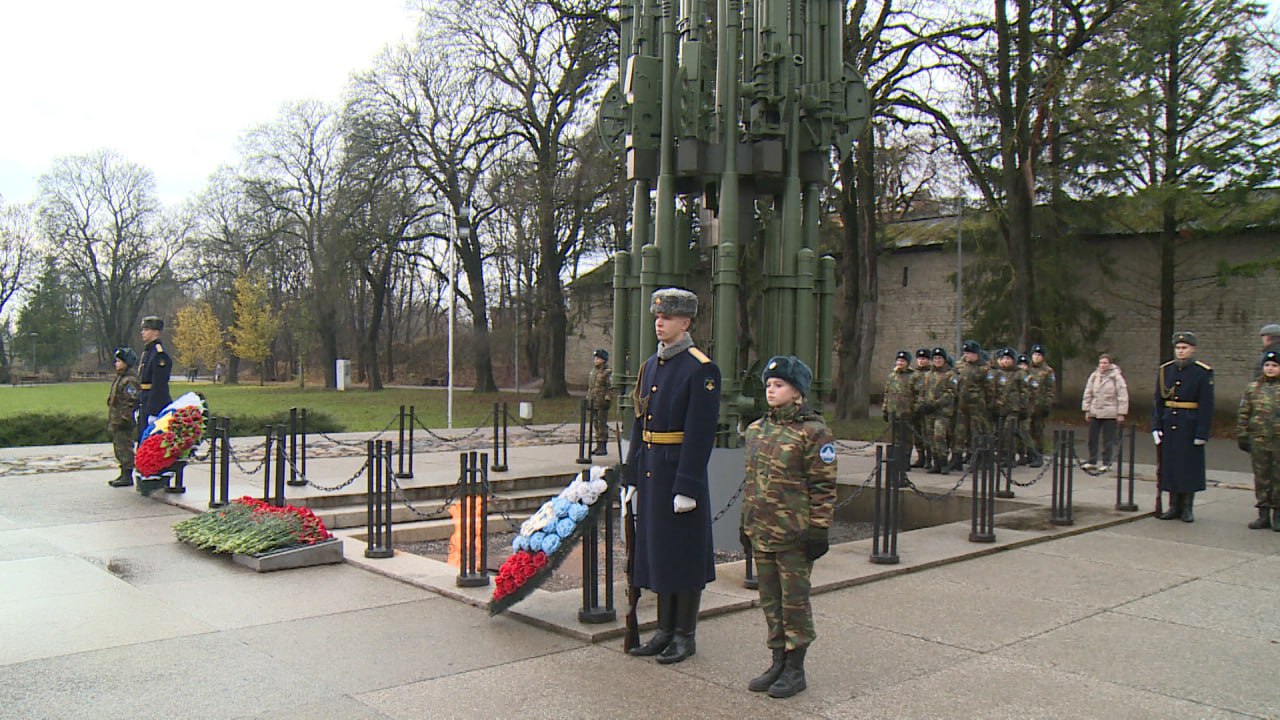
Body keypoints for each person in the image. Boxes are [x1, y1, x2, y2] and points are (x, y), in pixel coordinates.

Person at [625, 288, 721, 665]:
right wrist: (631, 477)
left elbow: (700, 434)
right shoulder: (651, 366)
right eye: (656, 317)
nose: (659, 323)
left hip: (678, 475)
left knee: (683, 556)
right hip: (652, 474)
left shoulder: (701, 368)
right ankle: (664, 630)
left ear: (686, 322)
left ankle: (685, 634)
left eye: (667, 317)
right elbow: (640, 425)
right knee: (660, 553)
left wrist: (687, 486)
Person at [740, 355, 836, 699]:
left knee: (794, 602)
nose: (771, 390)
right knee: (770, 601)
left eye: (778, 385)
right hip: (762, 531)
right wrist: (745, 522)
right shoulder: (756, 430)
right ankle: (777, 660)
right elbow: (750, 482)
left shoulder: (814, 432)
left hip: (794, 534)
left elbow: (823, 487)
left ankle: (796, 668)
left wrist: (819, 529)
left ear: (797, 392)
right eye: (768, 385)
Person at [1152, 331, 1214, 523]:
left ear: (1192, 349)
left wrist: (1202, 432)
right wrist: (1156, 426)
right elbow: (1158, 401)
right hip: (1169, 422)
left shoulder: (1202, 372)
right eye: (1178, 348)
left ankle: (1187, 506)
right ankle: (1173, 505)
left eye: (1184, 348)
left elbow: (1207, 404)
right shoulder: (1166, 370)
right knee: (1170, 465)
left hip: (1190, 424)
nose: (1180, 351)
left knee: (1188, 466)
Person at [1237, 349, 1280, 530]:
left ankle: (1278, 513)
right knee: (1262, 477)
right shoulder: (1253, 388)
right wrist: (1242, 434)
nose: (1270, 369)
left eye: (1275, 366)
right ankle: (1263, 514)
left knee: (1278, 477)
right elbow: (1244, 412)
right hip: (1259, 440)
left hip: (1278, 441)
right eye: (1267, 365)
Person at [1081, 353, 1129, 472]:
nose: (1102, 365)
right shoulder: (1094, 376)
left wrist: (1121, 413)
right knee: (1092, 438)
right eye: (1101, 363)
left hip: (1110, 412)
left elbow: (1122, 395)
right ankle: (1092, 460)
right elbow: (1088, 392)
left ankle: (1106, 462)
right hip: (1095, 410)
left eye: (1105, 363)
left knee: (1108, 439)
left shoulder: (1116, 377)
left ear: (1110, 364)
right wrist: (1087, 409)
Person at [953, 339, 992, 469]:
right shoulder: (962, 366)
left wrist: (989, 404)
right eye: (965, 353)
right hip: (962, 404)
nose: (967, 355)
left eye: (969, 353)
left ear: (976, 354)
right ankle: (956, 458)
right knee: (960, 432)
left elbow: (990, 389)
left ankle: (977, 458)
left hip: (977, 406)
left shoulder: (984, 368)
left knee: (977, 432)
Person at [136, 316, 173, 444]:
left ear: (156, 332)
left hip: (153, 404)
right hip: (145, 402)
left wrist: (154, 411)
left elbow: (159, 386)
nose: (143, 332)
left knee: (151, 443)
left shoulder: (159, 354)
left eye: (146, 329)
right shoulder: (148, 352)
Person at [107, 347, 140, 488]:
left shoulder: (129, 380)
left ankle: (127, 474)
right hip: (117, 419)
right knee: (119, 447)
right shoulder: (121, 377)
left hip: (123, 421)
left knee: (125, 447)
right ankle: (123, 472)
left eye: (119, 361)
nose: (116, 363)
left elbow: (130, 401)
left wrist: (125, 419)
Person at [921, 348, 956, 475]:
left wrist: (936, 404)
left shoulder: (950, 374)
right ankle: (936, 462)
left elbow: (950, 393)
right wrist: (922, 404)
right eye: (935, 359)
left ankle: (943, 462)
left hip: (942, 411)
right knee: (930, 437)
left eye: (939, 358)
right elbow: (923, 391)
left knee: (939, 436)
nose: (937, 361)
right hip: (929, 411)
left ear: (944, 360)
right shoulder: (928, 374)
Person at [1026, 344, 1056, 467]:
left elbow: (1050, 389)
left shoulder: (1048, 371)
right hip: (1028, 406)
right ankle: (1029, 454)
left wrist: (1047, 405)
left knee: (1038, 432)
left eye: (1039, 355)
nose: (1036, 357)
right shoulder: (1027, 369)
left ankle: (1038, 455)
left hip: (1039, 406)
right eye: (1034, 355)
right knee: (1027, 430)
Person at [587, 349, 615, 455]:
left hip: (602, 402)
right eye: (595, 358)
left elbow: (610, 387)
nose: (595, 360)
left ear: (603, 360)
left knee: (601, 423)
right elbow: (591, 387)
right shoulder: (594, 371)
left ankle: (603, 445)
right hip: (593, 401)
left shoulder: (607, 372)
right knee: (595, 423)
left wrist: (607, 398)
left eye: (598, 358)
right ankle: (598, 445)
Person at [910, 348, 932, 467]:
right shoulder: (914, 374)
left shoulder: (931, 374)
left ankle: (929, 458)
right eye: (919, 359)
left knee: (927, 434)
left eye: (924, 359)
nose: (921, 361)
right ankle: (920, 457)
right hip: (915, 408)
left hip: (927, 409)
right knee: (917, 434)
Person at [882, 350, 914, 427]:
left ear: (907, 363)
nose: (900, 363)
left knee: (906, 436)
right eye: (898, 360)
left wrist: (915, 410)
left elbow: (917, 394)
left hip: (906, 412)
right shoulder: (892, 376)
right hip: (892, 411)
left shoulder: (913, 376)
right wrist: (885, 409)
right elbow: (887, 393)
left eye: (902, 361)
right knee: (893, 435)